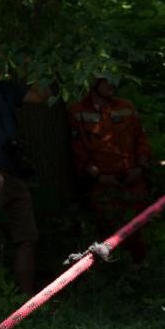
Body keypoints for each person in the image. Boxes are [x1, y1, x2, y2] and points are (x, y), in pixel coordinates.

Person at [0, 69, 49, 292]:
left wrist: (40, 63)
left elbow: (40, 95)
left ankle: (25, 299)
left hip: (12, 170)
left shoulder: (8, 88)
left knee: (27, 236)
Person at [67, 77, 153, 261]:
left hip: (132, 181)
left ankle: (139, 270)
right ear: (93, 82)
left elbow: (141, 139)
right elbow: (77, 151)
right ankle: (110, 275)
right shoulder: (78, 111)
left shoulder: (126, 107)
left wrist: (140, 166)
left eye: (114, 80)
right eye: (106, 81)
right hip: (101, 184)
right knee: (104, 232)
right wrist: (97, 176)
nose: (112, 84)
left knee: (137, 231)